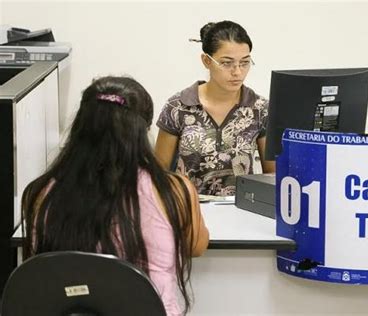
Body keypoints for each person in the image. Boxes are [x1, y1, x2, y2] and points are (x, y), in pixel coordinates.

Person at [21, 76, 209, 316]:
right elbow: (196, 245)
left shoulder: (41, 193)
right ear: (143, 131)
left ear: (80, 126)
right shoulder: (174, 190)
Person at [155, 20, 275, 196]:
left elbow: (271, 176)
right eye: (227, 63)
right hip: (190, 210)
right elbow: (158, 176)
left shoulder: (259, 109)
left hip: (241, 211)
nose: (237, 72)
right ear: (206, 60)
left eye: (244, 62)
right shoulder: (178, 107)